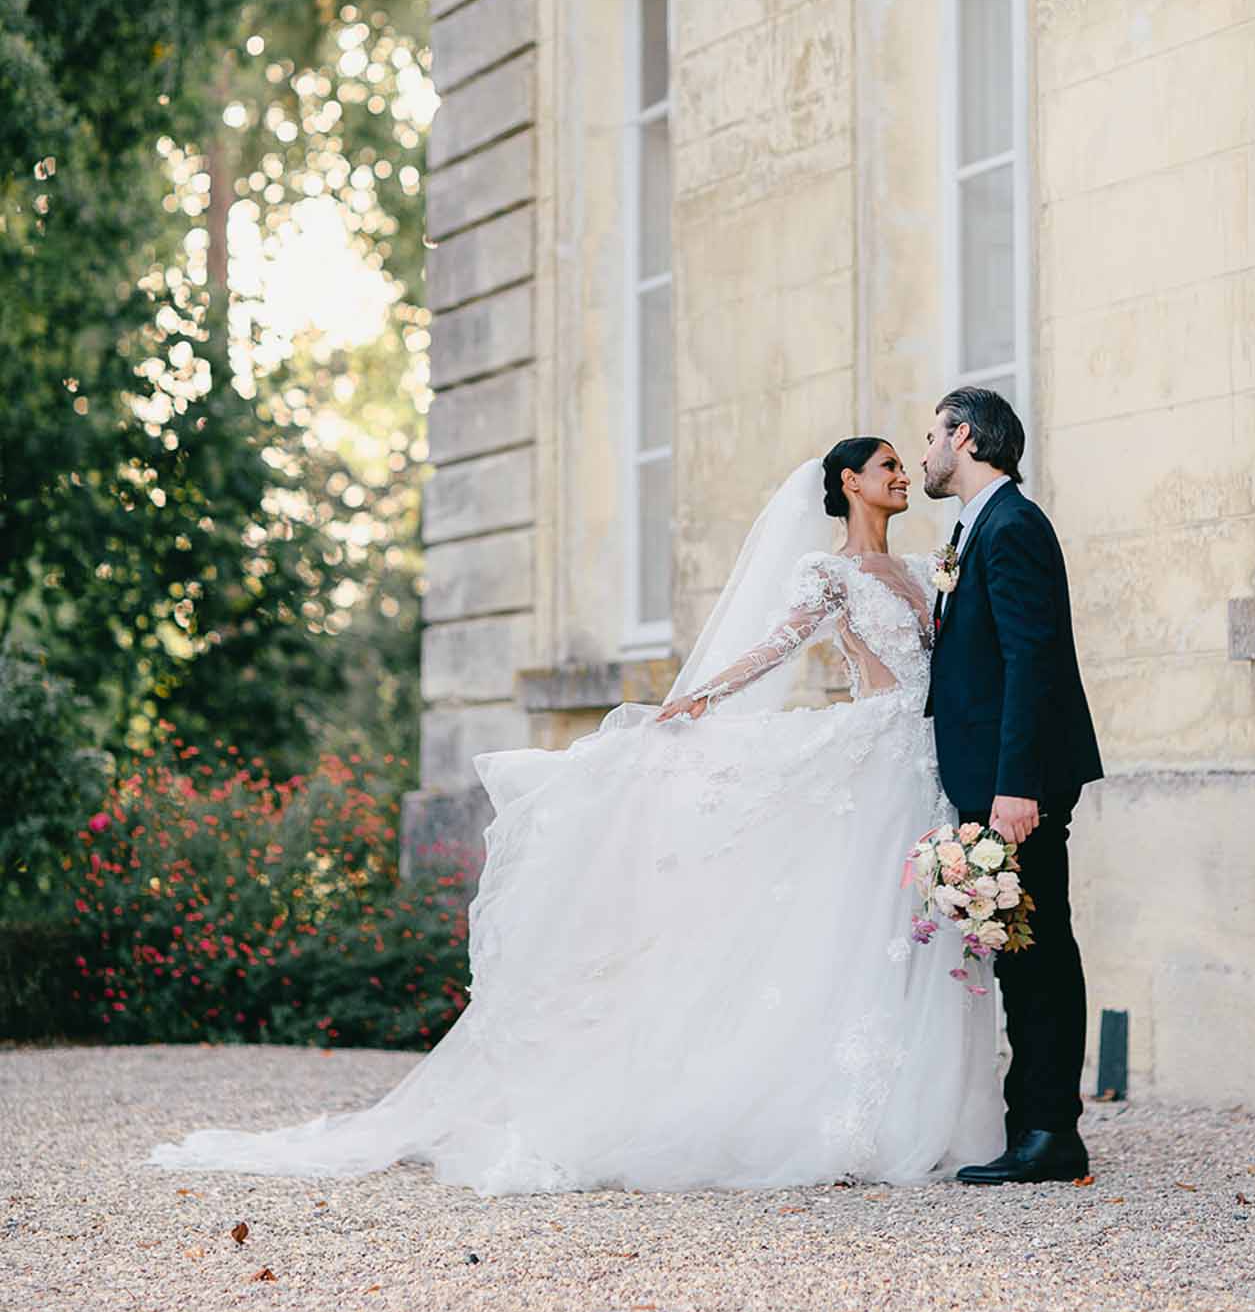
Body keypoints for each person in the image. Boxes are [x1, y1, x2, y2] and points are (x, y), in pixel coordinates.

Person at [150, 438, 1003, 1193]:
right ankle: (842, 1121)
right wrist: (698, 698)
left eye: (904, 463)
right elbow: (776, 646)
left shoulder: (932, 570)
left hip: (925, 765)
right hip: (870, 755)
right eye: (889, 464)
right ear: (850, 483)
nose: (902, 475)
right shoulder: (829, 575)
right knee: (853, 927)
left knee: (909, 931)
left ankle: (909, 1112)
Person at [921, 387, 1103, 1185]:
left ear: (963, 436)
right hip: (991, 779)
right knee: (1017, 951)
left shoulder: (1012, 525)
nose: (926, 451)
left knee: (1039, 952)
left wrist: (1018, 785)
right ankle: (1031, 1120)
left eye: (932, 436)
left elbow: (1035, 660)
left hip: (1015, 786)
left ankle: (1049, 1134)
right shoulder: (977, 526)